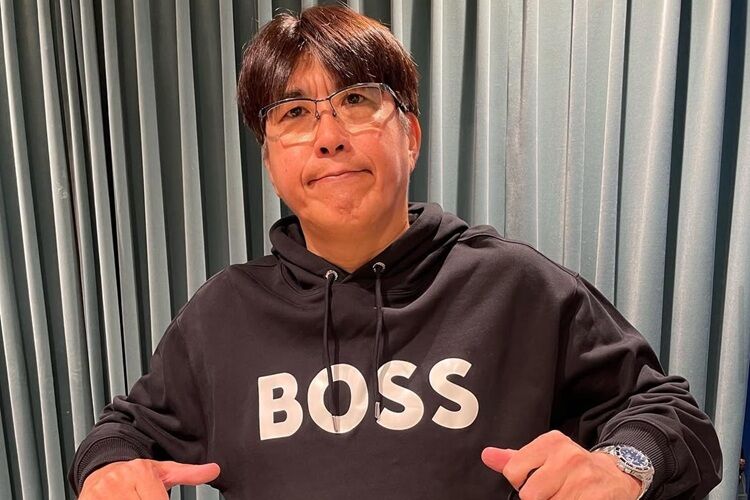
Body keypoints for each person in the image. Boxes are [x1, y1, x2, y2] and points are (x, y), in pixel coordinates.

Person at [70, 5, 722, 499]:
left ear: (409, 135)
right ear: (269, 160)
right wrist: (108, 469)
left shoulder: (516, 285)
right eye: (293, 113)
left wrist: (622, 465)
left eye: (355, 100)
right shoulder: (223, 314)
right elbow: (122, 432)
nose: (328, 136)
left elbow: (674, 419)